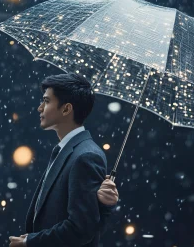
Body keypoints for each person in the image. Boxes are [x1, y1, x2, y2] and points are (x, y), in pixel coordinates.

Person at [9, 73, 119, 247]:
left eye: (46, 101)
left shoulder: (86, 156)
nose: (39, 108)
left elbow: (81, 229)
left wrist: (30, 242)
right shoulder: (69, 151)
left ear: (66, 109)